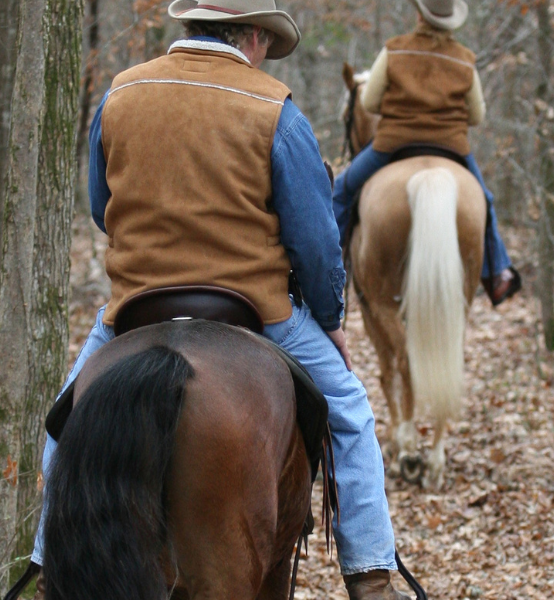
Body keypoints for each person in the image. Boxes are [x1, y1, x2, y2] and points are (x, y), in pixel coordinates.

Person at [28, 1, 411, 597]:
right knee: (351, 412)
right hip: (253, 308)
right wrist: (331, 319)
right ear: (255, 36)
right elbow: (314, 240)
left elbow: (103, 206)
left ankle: (46, 560)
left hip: (136, 305)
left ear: (190, 26)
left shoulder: (120, 94)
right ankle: (371, 575)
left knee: (62, 423)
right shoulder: (275, 109)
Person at [332, 0, 521, 306]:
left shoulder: (394, 50)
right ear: (450, 21)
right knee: (484, 199)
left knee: (341, 190)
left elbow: (369, 103)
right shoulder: (465, 60)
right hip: (452, 146)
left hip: (392, 144)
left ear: (419, 14)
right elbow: (477, 116)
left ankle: (329, 269)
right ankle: (497, 272)